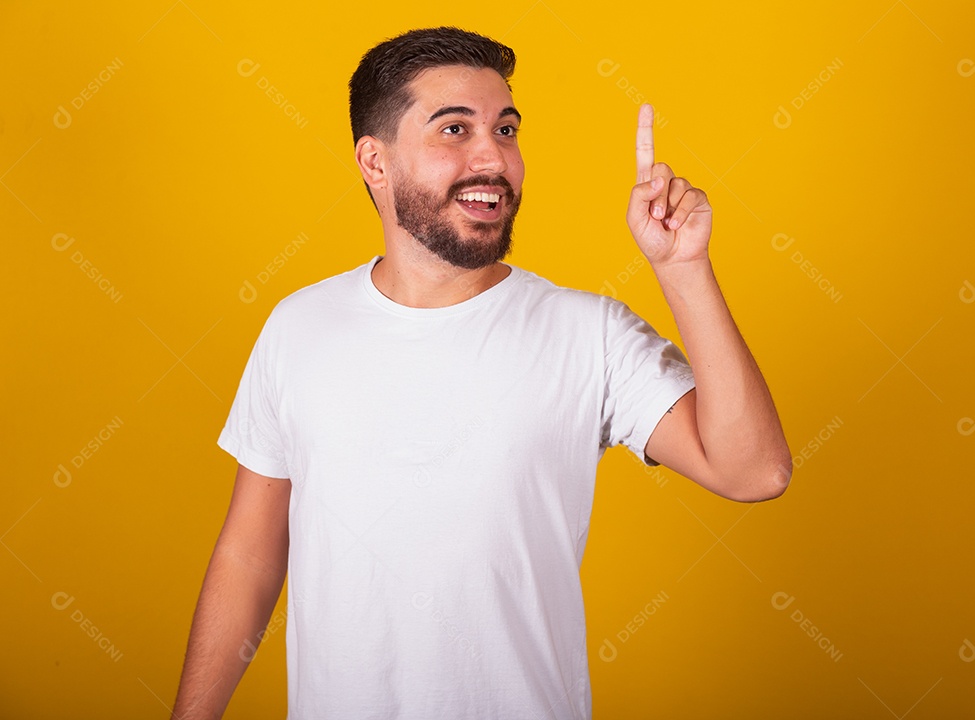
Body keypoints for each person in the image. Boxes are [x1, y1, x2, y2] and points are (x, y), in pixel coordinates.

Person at [173, 25, 791, 720]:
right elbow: (249, 555)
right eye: (454, 129)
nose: (492, 158)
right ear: (374, 161)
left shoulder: (588, 333)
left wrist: (683, 270)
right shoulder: (299, 326)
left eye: (505, 129)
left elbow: (753, 472)